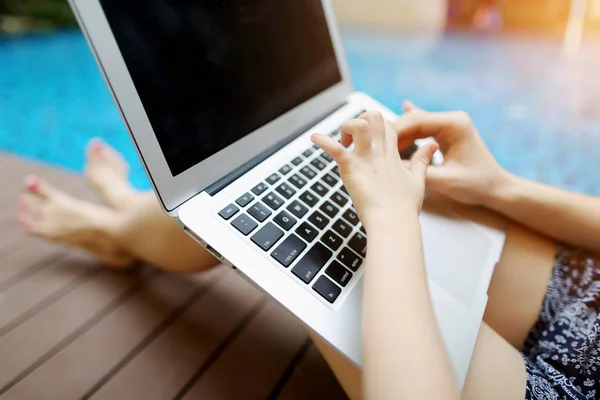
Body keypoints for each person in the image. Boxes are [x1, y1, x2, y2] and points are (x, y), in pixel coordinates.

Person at [19, 101, 600, 399]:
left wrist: (390, 220)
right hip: (586, 289)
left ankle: (119, 225)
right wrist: (500, 187)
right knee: (291, 167)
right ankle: (127, 217)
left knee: (291, 212)